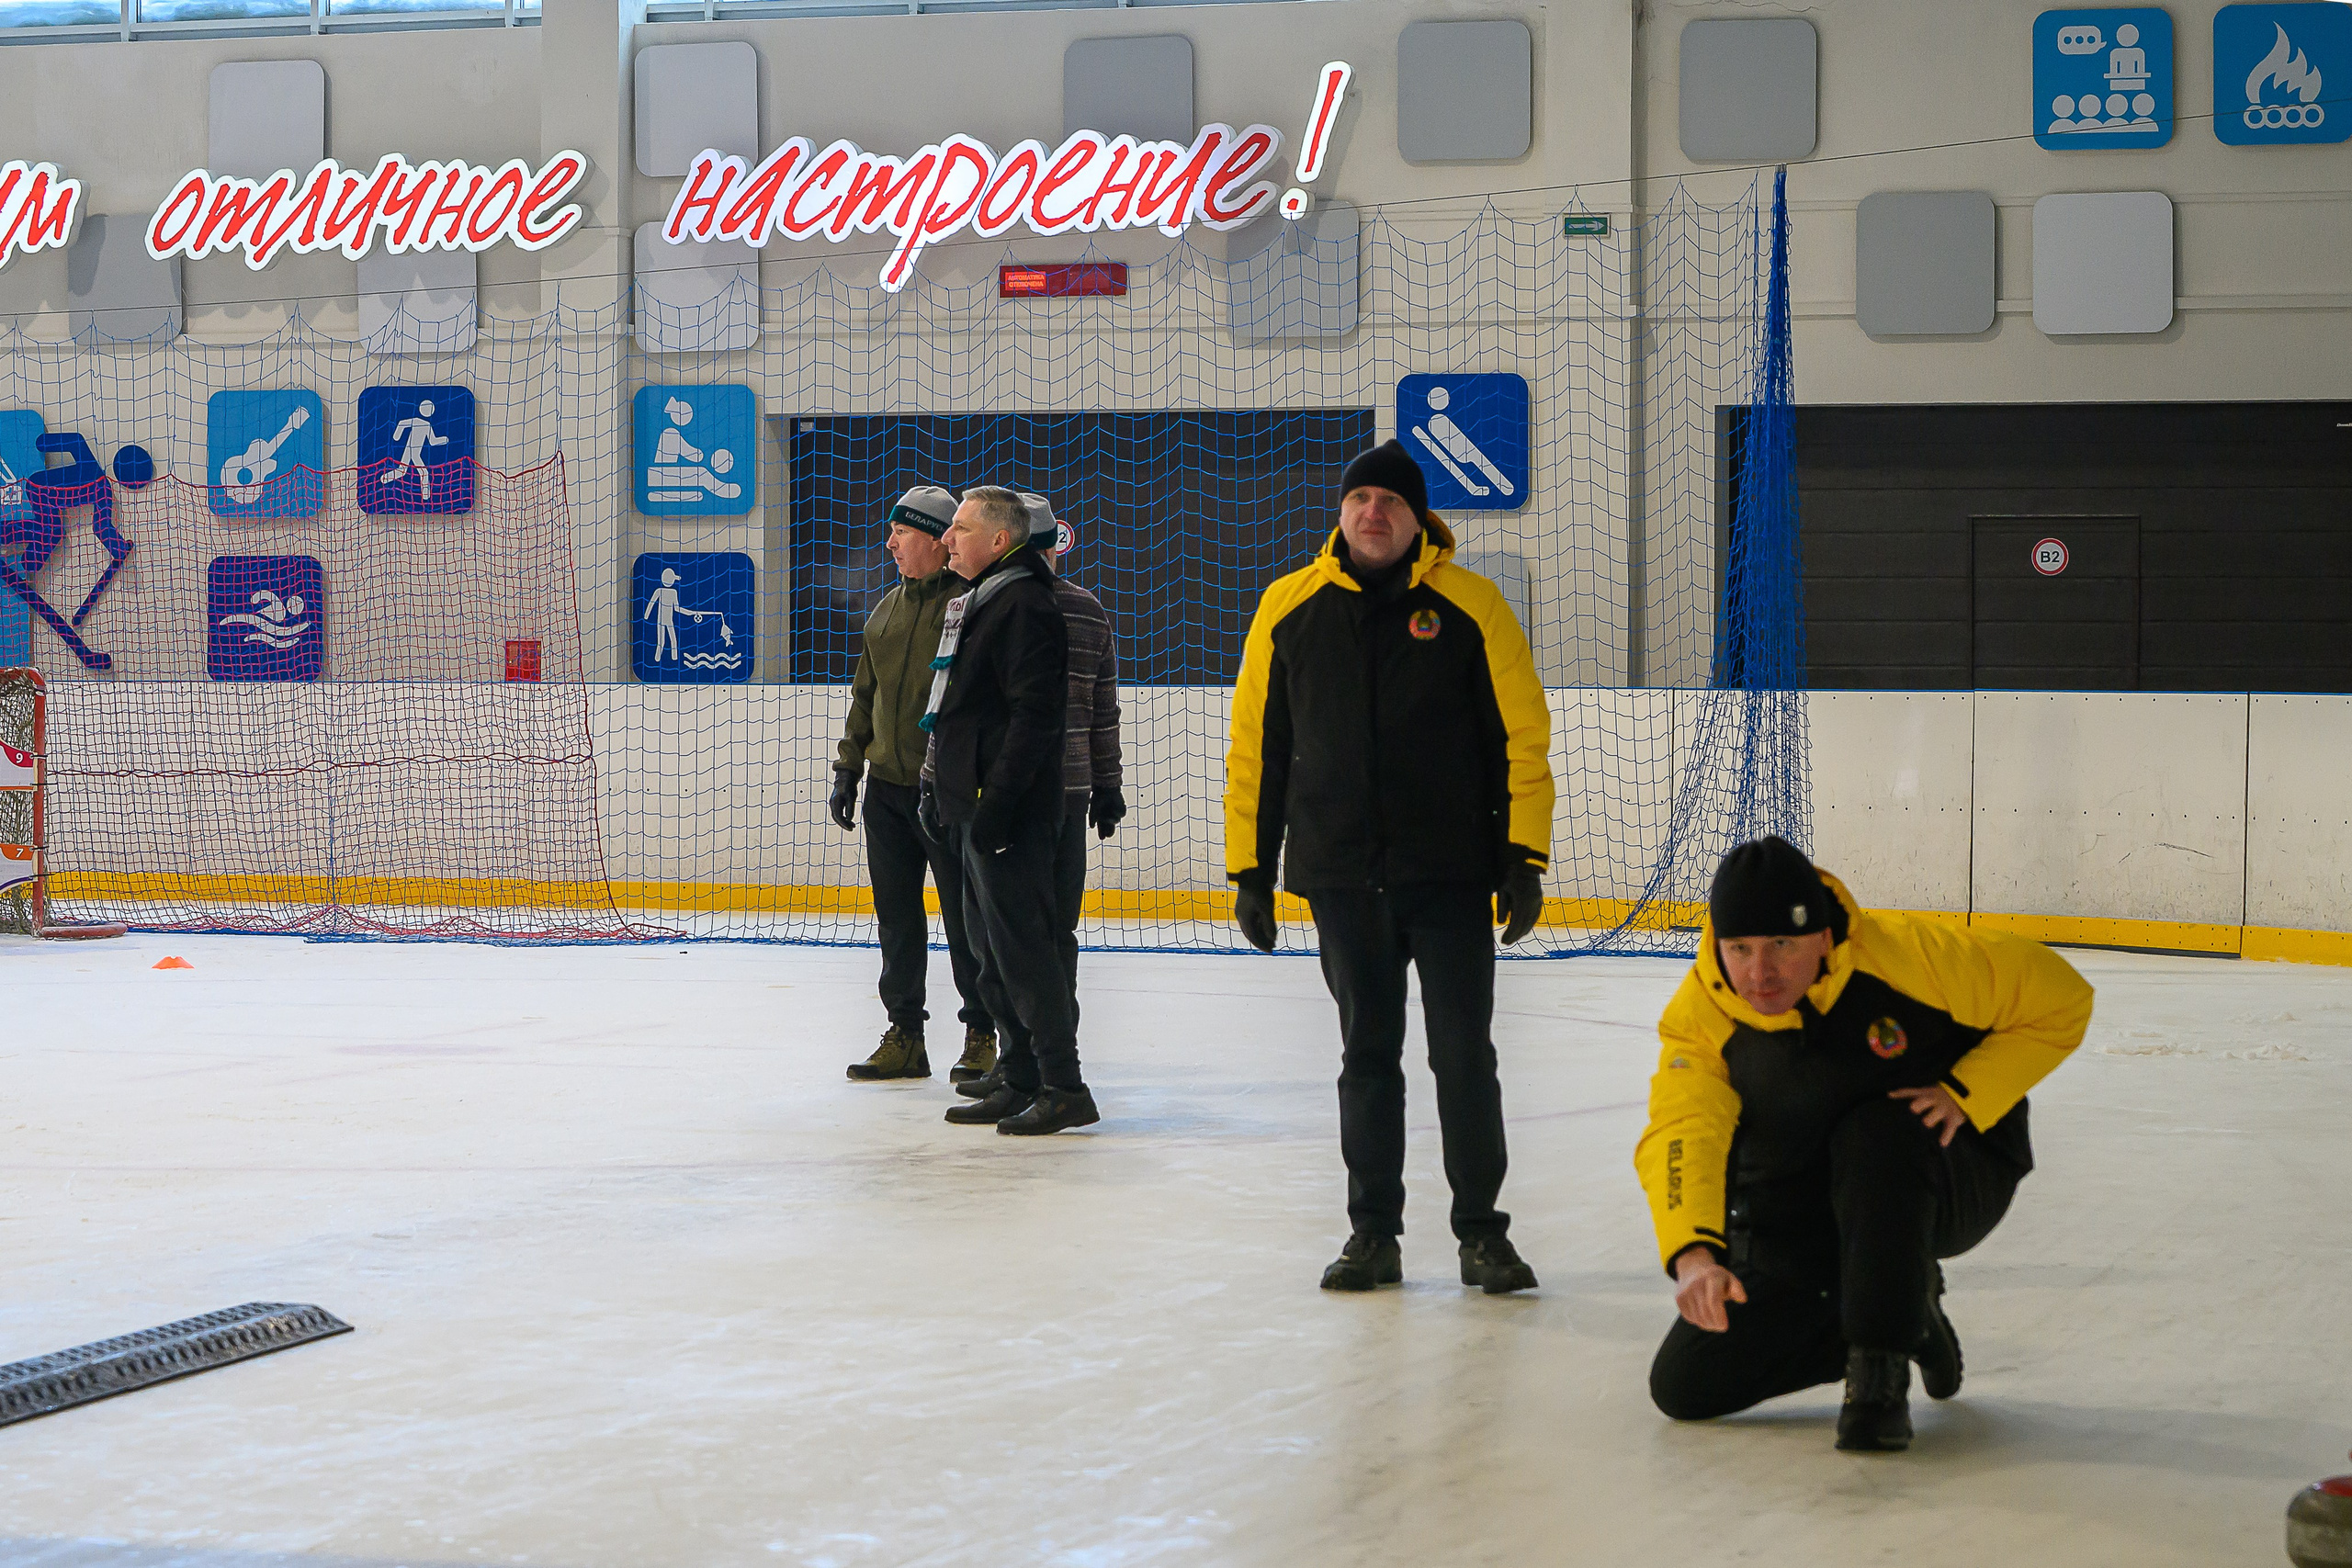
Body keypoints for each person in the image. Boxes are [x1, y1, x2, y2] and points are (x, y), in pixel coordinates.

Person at [1223, 438, 1555, 1294]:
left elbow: (1519, 737)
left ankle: (1483, 1233)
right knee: (1367, 1056)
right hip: (1341, 876)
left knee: (1462, 1057)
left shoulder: (1473, 606)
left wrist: (1524, 857)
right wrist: (1250, 870)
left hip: (1449, 874)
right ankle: (1373, 1233)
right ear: (1341, 510)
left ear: (1419, 520)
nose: (1375, 513)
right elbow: (1259, 747)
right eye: (1361, 497)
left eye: (1392, 502)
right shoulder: (1287, 607)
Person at [1636, 836, 2096, 1451]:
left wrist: (1964, 1091)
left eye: (1781, 945)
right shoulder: (1702, 1018)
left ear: (1822, 936)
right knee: (1686, 1383)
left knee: (1876, 1129)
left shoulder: (1912, 956)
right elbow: (1682, 1131)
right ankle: (1910, 1308)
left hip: (1947, 1170)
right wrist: (1694, 1254)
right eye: (1740, 948)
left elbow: (2062, 997)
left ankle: (1879, 1373)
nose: (1759, 972)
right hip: (1808, 1206)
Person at [918, 485, 1096, 1135]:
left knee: (1026, 955)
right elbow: (965, 713)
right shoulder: (986, 598)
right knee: (994, 955)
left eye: (960, 529)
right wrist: (944, 789)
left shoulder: (1024, 602)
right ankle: (1021, 1076)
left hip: (1010, 814)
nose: (947, 539)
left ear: (1000, 540)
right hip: (977, 805)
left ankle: (1062, 1083)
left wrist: (996, 806)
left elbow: (1034, 720)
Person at [952, 494, 1125, 1107]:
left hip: (1032, 796)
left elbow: (1073, 711)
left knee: (1020, 940)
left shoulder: (1022, 606)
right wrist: (1108, 784)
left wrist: (1105, 784)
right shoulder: (1056, 605)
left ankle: (1048, 1069)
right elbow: (1102, 712)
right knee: (1034, 937)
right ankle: (1027, 1064)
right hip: (1057, 794)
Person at [830, 485, 997, 1086]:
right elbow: (864, 699)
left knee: (965, 917)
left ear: (932, 537)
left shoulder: (971, 608)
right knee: (896, 918)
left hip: (949, 792)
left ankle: (982, 1033)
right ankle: (906, 1034)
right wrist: (849, 769)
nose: (890, 543)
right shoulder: (884, 612)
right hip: (888, 794)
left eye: (900, 533)